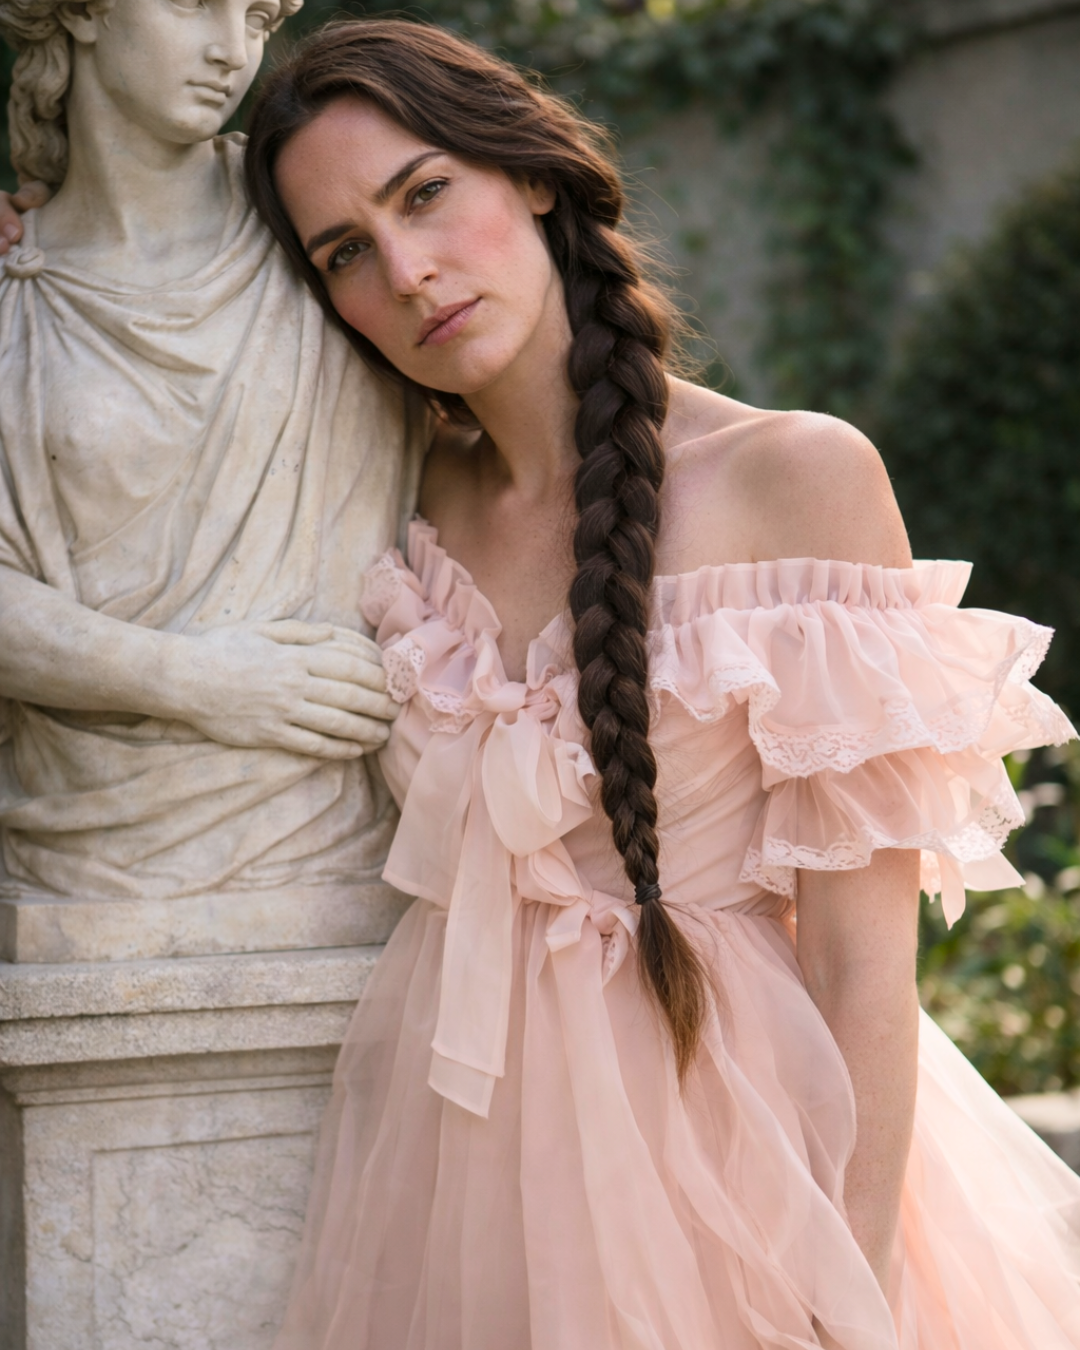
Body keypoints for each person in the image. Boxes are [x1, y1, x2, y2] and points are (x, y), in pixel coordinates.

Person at [241, 19, 1080, 1350]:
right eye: (345, 251)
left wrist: (842, 1294)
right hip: (459, 1181)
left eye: (424, 193)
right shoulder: (386, 498)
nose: (405, 270)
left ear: (526, 173)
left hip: (748, 1174)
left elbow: (866, 968)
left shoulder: (793, 478)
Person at [0, 0, 420, 911]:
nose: (232, 52)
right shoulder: (16, 288)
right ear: (78, 12)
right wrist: (195, 679)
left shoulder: (327, 231)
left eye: (259, 14)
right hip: (77, 873)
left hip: (339, 849)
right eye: (193, 3)